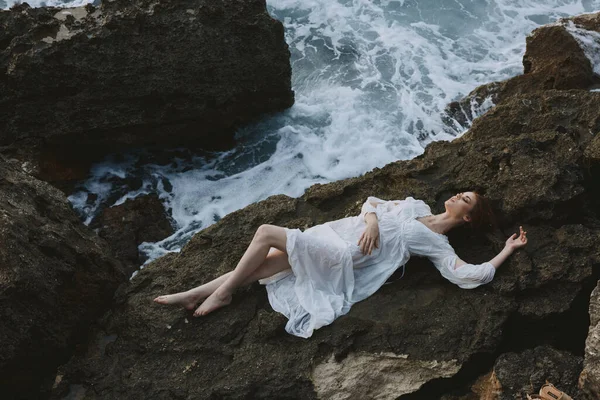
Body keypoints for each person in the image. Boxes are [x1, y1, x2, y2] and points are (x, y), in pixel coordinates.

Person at [154, 192, 528, 338]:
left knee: (267, 232)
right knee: (267, 263)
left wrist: (506, 251)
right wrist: (371, 221)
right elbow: (371, 202)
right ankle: (193, 294)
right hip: (338, 233)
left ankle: (221, 293)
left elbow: (469, 274)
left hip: (343, 258)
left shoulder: (436, 244)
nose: (457, 194)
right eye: (462, 192)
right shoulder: (415, 207)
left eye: (466, 199)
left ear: (467, 218)